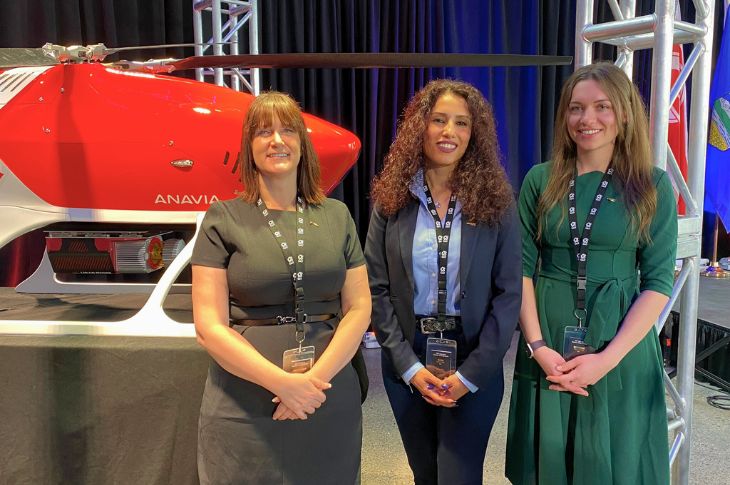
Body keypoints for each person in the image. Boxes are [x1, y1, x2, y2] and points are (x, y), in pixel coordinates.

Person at [506, 62, 677, 485]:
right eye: (576, 108)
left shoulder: (653, 185)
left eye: (602, 107)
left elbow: (657, 284)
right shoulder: (539, 180)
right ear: (564, 116)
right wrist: (538, 347)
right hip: (547, 345)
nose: (588, 119)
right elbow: (520, 270)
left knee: (616, 462)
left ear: (623, 114)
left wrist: (607, 359)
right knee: (548, 459)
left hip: (620, 347)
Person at [191, 91, 371, 485]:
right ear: (249, 146)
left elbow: (358, 308)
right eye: (263, 132)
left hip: (327, 393)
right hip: (246, 401)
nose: (276, 140)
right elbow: (209, 326)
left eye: (287, 130)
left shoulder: (337, 215)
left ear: (302, 145)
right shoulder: (222, 218)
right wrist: (284, 385)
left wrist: (312, 384)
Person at [365, 79, 522, 485]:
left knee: (458, 475)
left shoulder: (497, 202)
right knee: (425, 474)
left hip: (473, 357)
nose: (449, 132)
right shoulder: (391, 199)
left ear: (475, 133)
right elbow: (376, 287)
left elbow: (508, 295)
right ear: (420, 127)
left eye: (461, 123)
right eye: (438, 120)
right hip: (407, 356)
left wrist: (470, 375)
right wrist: (409, 366)